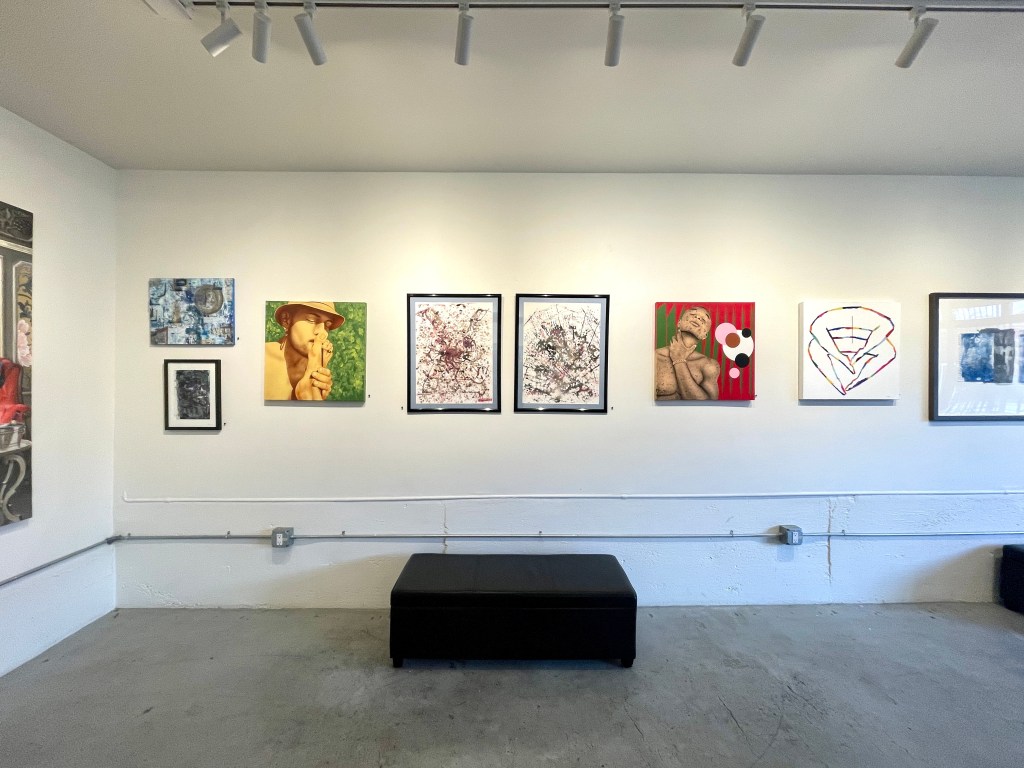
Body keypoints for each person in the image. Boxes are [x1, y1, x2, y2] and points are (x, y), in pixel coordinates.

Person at [264, 301, 345, 401]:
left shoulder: (317, 369)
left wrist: (314, 392)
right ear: (286, 320)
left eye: (327, 325)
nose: (322, 332)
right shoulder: (262, 357)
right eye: (311, 320)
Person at [655, 306, 720, 400]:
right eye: (693, 314)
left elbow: (709, 402)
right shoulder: (655, 357)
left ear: (704, 335)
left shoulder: (709, 365)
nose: (697, 318)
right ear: (679, 323)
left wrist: (679, 359)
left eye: (703, 319)